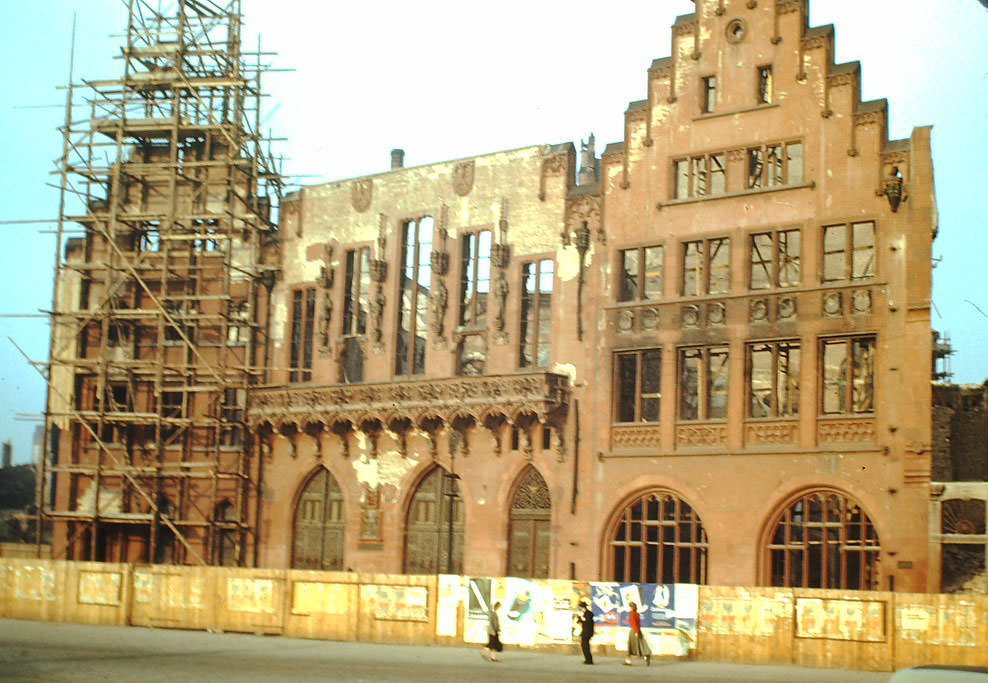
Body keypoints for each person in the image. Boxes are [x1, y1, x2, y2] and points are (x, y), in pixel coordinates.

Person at [624, 601, 651, 666]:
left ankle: (628, 661)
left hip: (633, 631)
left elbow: (633, 623)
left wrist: (635, 632)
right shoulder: (637, 614)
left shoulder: (631, 614)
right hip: (638, 630)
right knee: (641, 644)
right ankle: (646, 655)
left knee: (631, 646)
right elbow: (638, 623)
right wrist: (637, 631)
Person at [577, 600, 595, 665]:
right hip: (585, 631)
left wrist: (582, 619)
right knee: (584, 646)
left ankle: (589, 660)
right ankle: (587, 659)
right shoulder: (584, 613)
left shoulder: (588, 613)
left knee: (585, 646)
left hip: (587, 632)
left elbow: (588, 623)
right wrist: (580, 619)